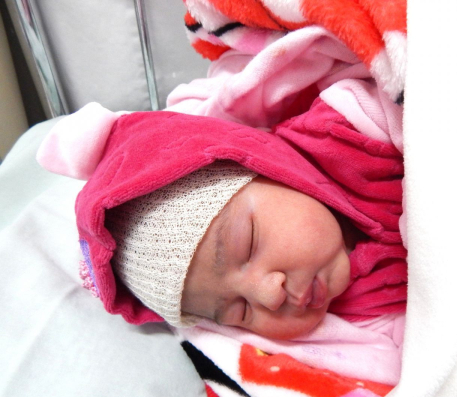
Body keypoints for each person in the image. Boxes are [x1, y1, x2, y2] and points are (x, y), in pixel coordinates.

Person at [43, 97, 407, 341]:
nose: (270, 295)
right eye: (239, 311)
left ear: (267, 168)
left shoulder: (351, 127)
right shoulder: (362, 324)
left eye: (248, 244)